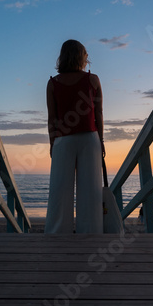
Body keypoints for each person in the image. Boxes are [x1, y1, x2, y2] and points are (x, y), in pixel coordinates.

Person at [45, 39, 105, 234]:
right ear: (81, 56)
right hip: (89, 138)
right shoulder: (93, 79)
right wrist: (101, 141)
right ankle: (91, 232)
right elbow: (99, 115)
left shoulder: (53, 83)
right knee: (90, 190)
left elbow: (52, 118)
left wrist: (52, 143)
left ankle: (57, 234)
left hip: (63, 139)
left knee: (59, 190)